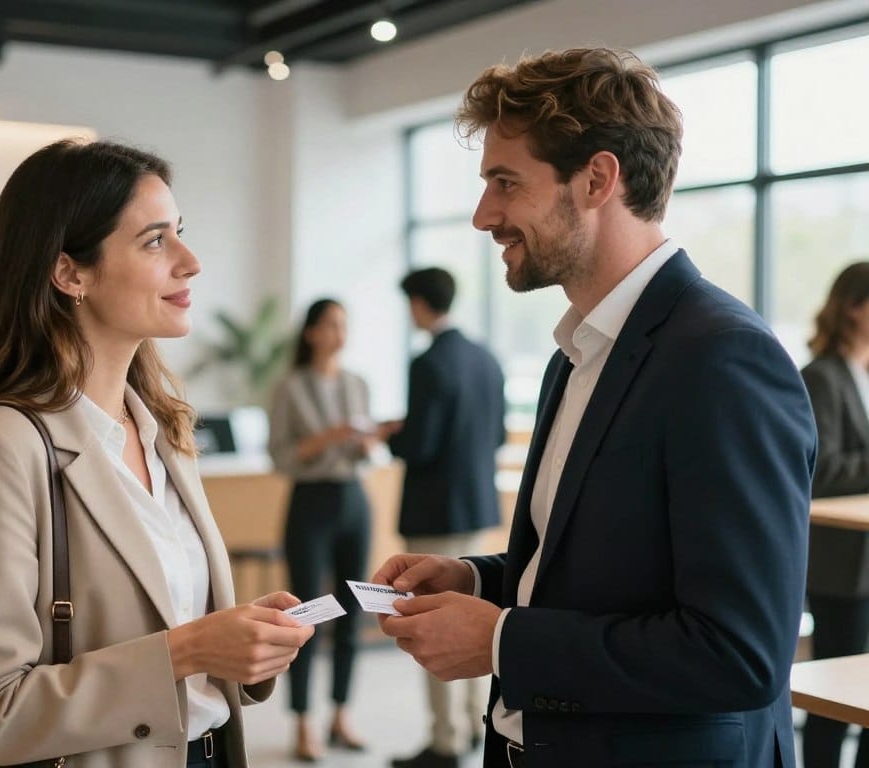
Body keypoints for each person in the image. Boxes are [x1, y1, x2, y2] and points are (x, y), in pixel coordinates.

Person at [372, 47, 817, 768]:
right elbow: (603, 562)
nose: (486, 215)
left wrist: (498, 639)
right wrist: (478, 579)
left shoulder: (723, 359)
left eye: (505, 183)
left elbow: (739, 652)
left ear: (597, 179)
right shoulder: (576, 353)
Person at [0, 139, 314, 768]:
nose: (191, 262)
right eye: (156, 241)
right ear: (70, 272)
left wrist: (237, 641)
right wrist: (187, 650)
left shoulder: (163, 431)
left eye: (179, 233)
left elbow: (163, 629)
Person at [380, 267, 505, 768]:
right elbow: (494, 436)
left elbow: (421, 444)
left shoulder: (428, 361)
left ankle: (445, 740)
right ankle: (476, 723)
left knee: (430, 620)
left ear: (418, 303)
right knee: (473, 613)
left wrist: (392, 434)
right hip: (476, 502)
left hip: (435, 507)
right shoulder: (486, 358)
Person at [268, 298, 374, 762]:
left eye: (344, 325)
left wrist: (367, 442)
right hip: (309, 503)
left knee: (353, 610)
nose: (339, 333)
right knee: (308, 613)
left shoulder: (357, 383)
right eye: (331, 325)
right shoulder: (289, 387)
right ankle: (303, 723)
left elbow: (364, 452)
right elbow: (281, 456)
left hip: (354, 499)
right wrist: (328, 438)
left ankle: (340, 715)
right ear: (311, 332)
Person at [800, 261, 869, 768]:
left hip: (863, 561)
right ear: (854, 307)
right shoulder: (822, 376)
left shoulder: (862, 374)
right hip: (840, 566)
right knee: (833, 692)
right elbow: (821, 471)